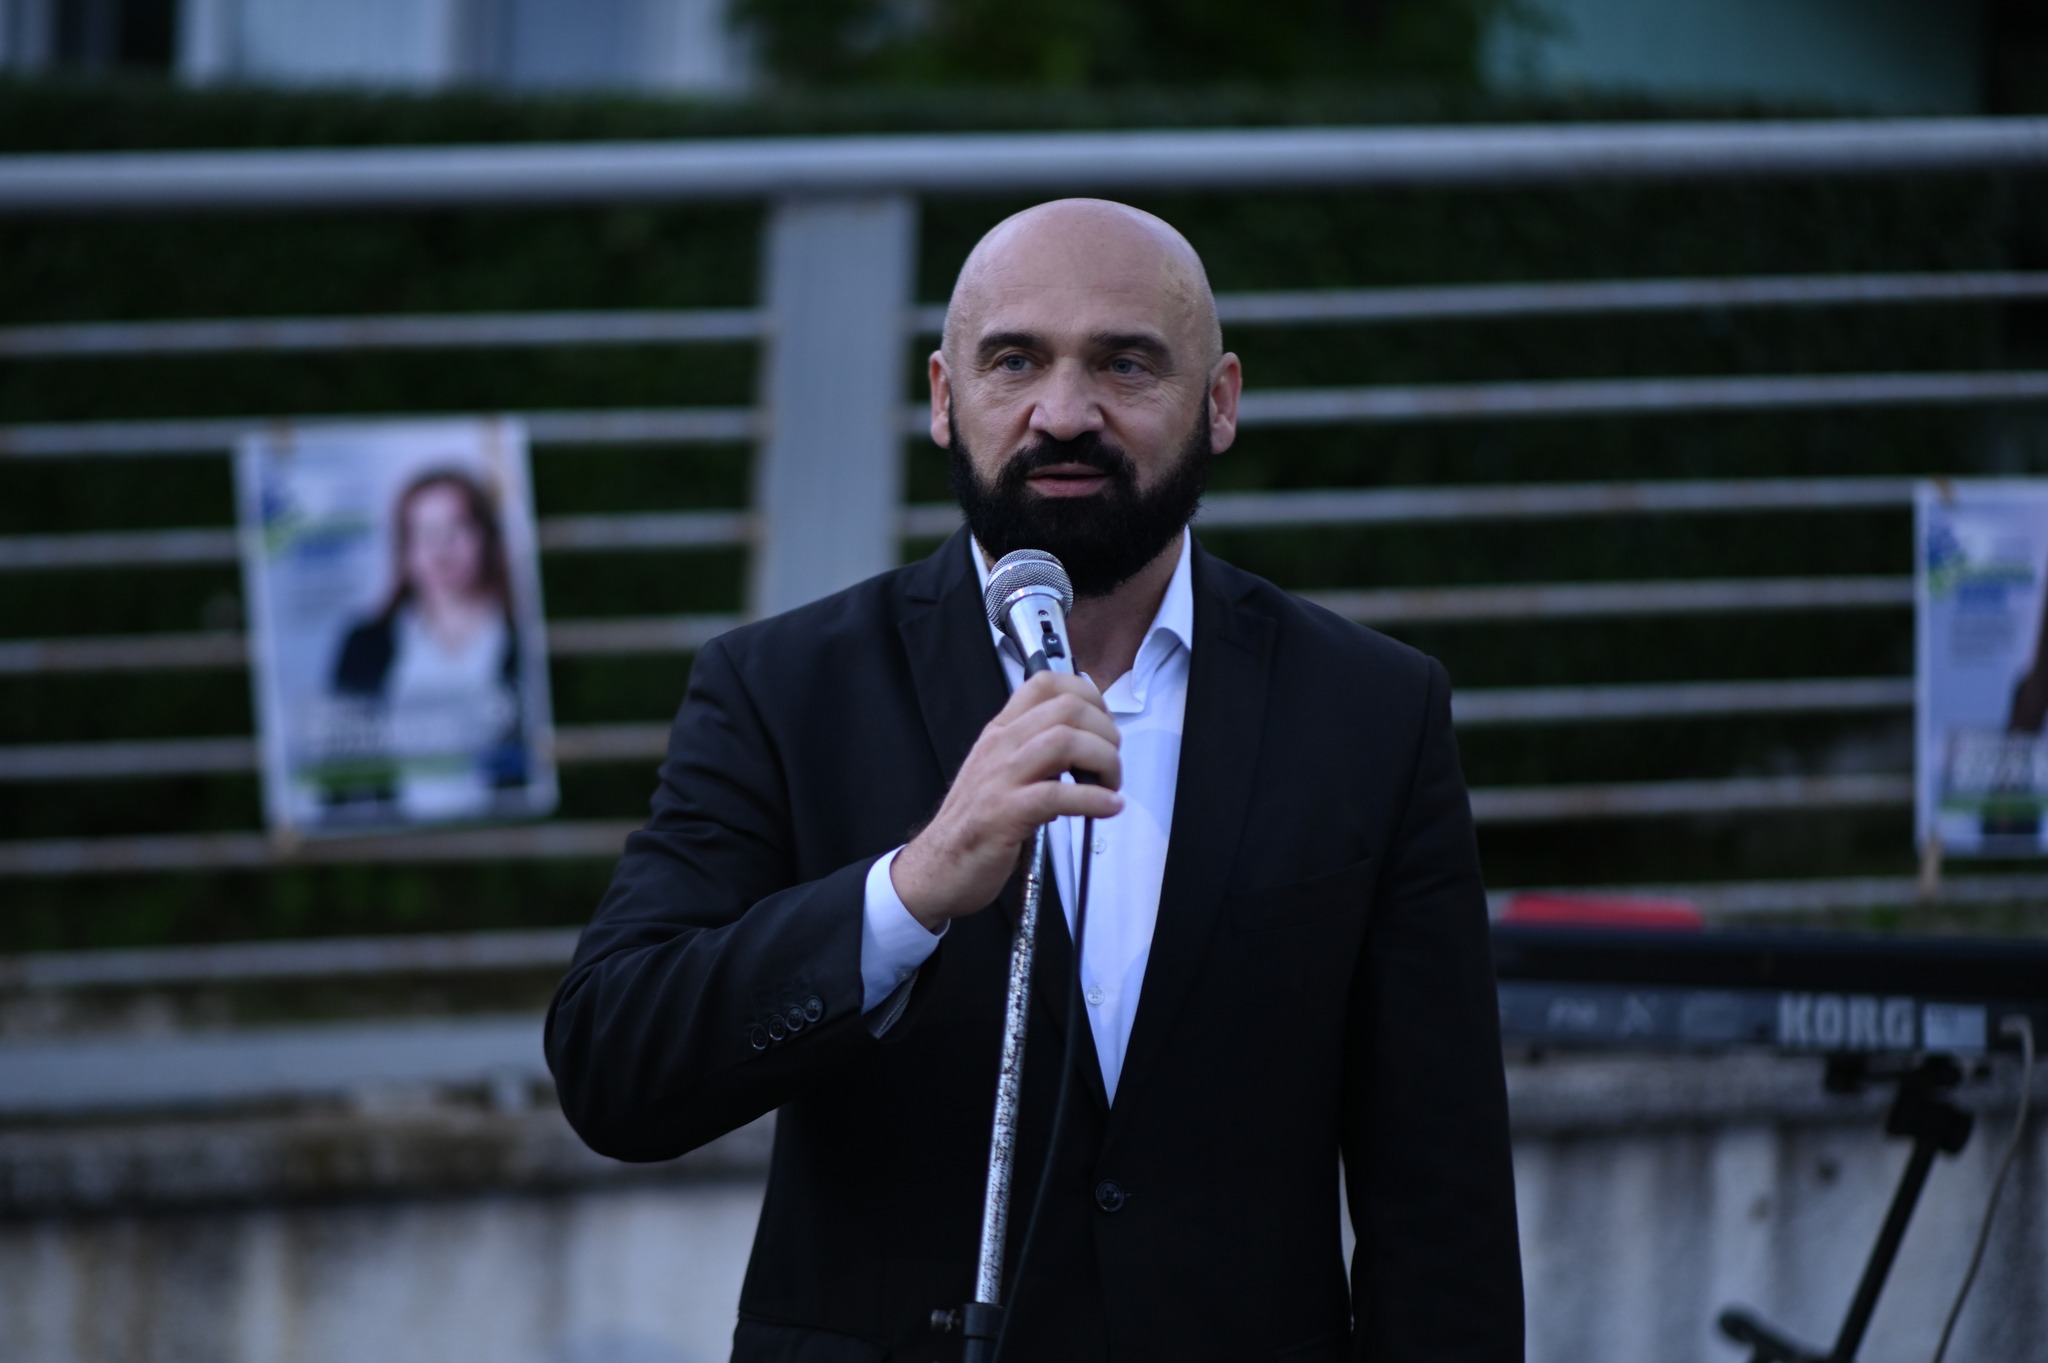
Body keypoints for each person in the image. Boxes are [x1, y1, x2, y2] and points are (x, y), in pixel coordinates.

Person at [547, 199, 1523, 1362]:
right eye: (1013, 361)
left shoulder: (1371, 710)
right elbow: (613, 1066)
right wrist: (908, 891)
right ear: (942, 397)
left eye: (1123, 363)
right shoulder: (781, 687)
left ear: (1217, 404)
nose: (1063, 413)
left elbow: (1442, 1198)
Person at [329, 467, 528, 817]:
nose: (441, 549)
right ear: (404, 551)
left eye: (457, 529)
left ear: (485, 537)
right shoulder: (365, 646)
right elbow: (337, 768)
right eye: (424, 533)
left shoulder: (523, 637)